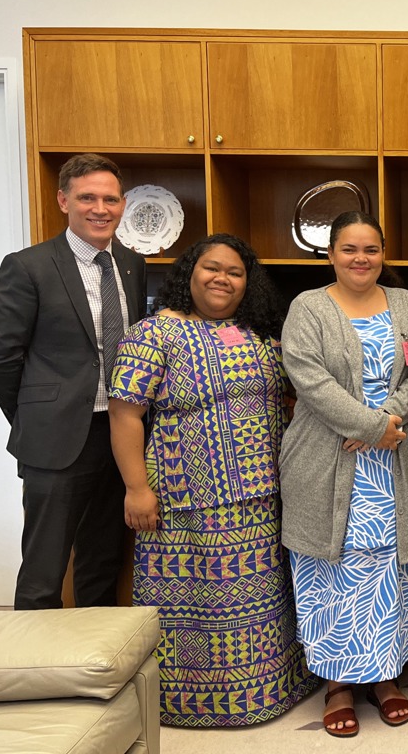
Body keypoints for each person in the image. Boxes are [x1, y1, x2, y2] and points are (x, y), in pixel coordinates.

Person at [108, 233, 317, 725]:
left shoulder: (260, 335)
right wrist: (137, 488)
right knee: (194, 607)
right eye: (212, 269)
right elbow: (124, 415)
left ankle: (266, 695)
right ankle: (189, 705)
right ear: (189, 274)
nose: (223, 279)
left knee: (262, 604)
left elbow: (293, 399)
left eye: (236, 272)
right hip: (184, 503)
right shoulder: (153, 334)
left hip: (262, 498)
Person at [279, 212, 408, 738]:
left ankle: (386, 676)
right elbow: (309, 379)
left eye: (370, 249)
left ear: (383, 253)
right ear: (331, 254)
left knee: (393, 563)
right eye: (349, 249)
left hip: (398, 456)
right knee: (334, 569)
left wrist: (386, 422)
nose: (360, 258)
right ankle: (338, 684)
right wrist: (371, 426)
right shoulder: (308, 307)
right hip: (326, 458)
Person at [0, 153, 146, 610]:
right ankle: (37, 675)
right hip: (55, 439)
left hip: (119, 434)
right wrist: (35, 414)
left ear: (123, 203)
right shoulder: (28, 266)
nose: (100, 208)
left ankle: (97, 668)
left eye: (110, 199)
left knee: (102, 559)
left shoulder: (132, 264)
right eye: (87, 197)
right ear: (63, 201)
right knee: (44, 568)